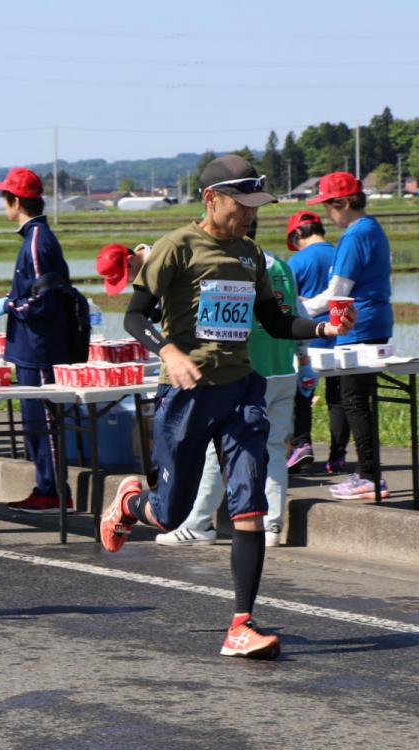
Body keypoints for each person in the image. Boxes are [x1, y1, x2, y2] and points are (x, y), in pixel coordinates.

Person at [98, 155, 354, 658]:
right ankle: (131, 502)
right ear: (212, 198)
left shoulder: (251, 256)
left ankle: (241, 624)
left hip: (242, 391)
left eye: (256, 207)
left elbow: (278, 322)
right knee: (171, 516)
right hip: (187, 396)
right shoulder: (175, 248)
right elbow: (133, 318)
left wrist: (323, 329)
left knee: (249, 506)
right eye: (242, 205)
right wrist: (169, 352)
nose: (249, 216)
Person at [155, 247, 312, 549]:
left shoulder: (228, 266)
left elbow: (217, 325)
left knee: (218, 450)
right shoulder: (281, 266)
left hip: (245, 373)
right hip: (283, 369)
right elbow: (295, 313)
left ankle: (199, 522)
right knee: (275, 448)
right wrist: (304, 360)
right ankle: (273, 525)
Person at [0, 167, 73, 513]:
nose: (4, 205)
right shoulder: (36, 238)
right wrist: (9, 297)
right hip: (31, 348)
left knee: (45, 424)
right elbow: (34, 289)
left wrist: (10, 305)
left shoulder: (36, 241)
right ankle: (44, 485)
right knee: (34, 423)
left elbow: (44, 299)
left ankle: (53, 489)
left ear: (15, 201)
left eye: (5, 198)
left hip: (40, 348)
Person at [303, 172, 393, 500]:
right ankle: (368, 473)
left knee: (354, 401)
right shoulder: (374, 228)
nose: (328, 214)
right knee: (360, 401)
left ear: (342, 203)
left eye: (328, 206)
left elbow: (337, 292)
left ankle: (368, 475)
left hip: (357, 326)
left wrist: (300, 313)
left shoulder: (355, 236)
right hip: (377, 323)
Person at [285, 210, 348, 474]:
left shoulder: (296, 262)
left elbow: (288, 302)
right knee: (338, 398)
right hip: (341, 338)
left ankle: (302, 446)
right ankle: (337, 457)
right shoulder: (340, 256)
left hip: (310, 342)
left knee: (301, 395)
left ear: (298, 233)